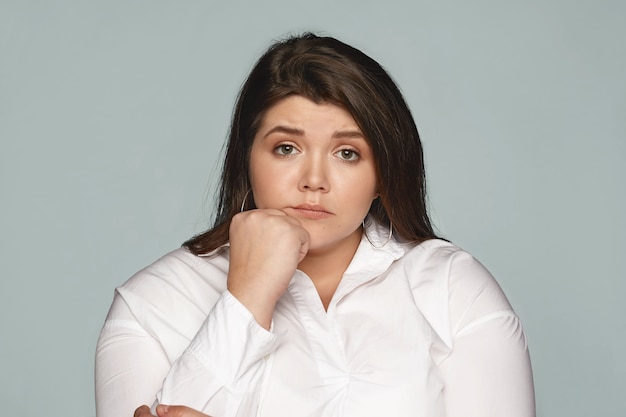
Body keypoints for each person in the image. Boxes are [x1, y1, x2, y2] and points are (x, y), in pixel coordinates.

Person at [95, 33, 535, 417]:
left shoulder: (453, 289)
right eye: (287, 148)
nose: (314, 181)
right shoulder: (153, 304)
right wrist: (245, 299)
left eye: (347, 153)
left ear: (384, 174)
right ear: (247, 158)